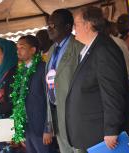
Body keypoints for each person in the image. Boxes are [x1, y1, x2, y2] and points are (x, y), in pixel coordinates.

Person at [65, 6, 129, 152]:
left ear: (88, 25)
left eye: (76, 24)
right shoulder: (91, 48)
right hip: (91, 133)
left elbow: (113, 91)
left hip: (103, 137)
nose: (73, 29)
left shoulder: (103, 49)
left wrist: (111, 130)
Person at [46, 9, 83, 153]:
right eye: (48, 25)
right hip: (56, 114)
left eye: (53, 25)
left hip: (75, 115)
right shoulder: (51, 51)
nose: (49, 28)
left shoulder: (78, 47)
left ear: (68, 26)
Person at [12, 35, 51, 153]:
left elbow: (50, 100)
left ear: (33, 50)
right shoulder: (21, 71)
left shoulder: (43, 68)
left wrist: (48, 129)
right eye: (17, 48)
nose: (18, 51)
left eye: (22, 47)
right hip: (27, 127)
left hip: (40, 127)